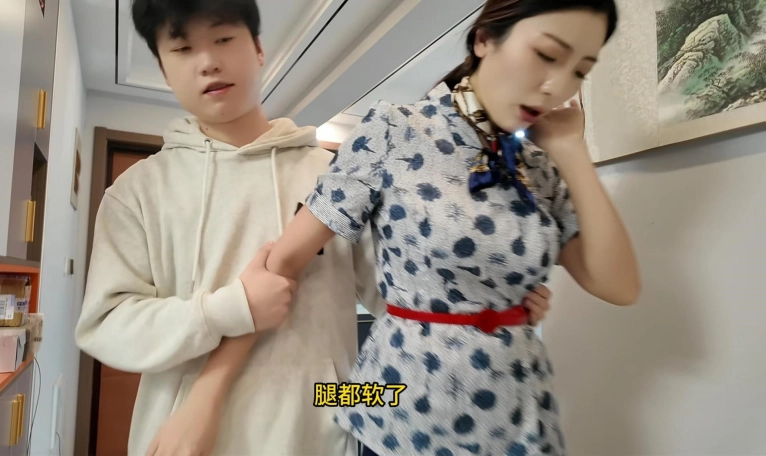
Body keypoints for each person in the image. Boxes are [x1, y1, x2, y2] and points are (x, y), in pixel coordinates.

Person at [74, 0, 557, 455]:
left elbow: (399, 298)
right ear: (163, 69)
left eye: (222, 39)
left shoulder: (339, 176)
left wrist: (486, 300)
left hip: (317, 431)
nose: (208, 63)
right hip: (186, 435)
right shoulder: (137, 191)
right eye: (182, 49)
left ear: (258, 48)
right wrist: (228, 310)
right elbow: (106, 325)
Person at [182, 0, 641, 455]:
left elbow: (618, 286)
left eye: (580, 71)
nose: (556, 87)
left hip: (519, 412)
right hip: (406, 416)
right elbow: (284, 262)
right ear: (484, 39)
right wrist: (206, 397)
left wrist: (572, 150)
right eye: (546, 55)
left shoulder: (538, 168)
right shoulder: (396, 130)